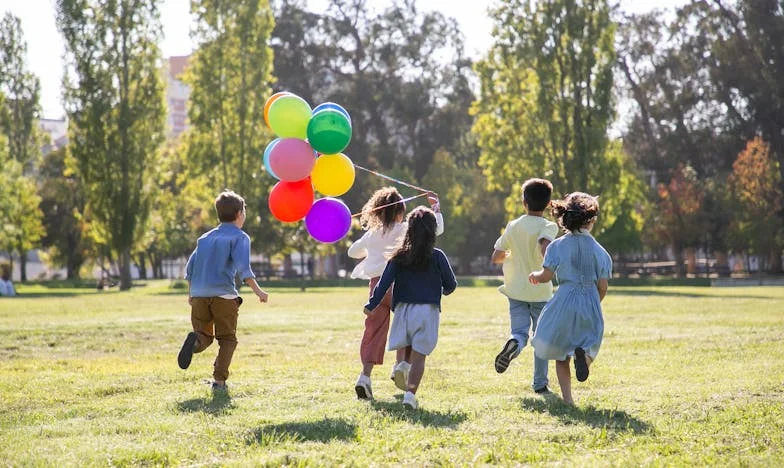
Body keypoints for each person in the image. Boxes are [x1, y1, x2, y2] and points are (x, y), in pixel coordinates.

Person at [348, 187, 443, 400]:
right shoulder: (404, 229)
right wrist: (435, 209)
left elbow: (352, 252)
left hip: (376, 288)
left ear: (377, 212)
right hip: (400, 286)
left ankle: (365, 377)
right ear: (400, 211)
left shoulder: (372, 235)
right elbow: (435, 230)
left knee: (373, 331)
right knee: (408, 327)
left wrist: (371, 248)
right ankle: (401, 365)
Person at [364, 206, 457, 409]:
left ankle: (402, 364)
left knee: (407, 343)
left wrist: (372, 304)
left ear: (409, 230)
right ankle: (410, 395)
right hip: (427, 311)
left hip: (403, 309)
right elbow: (451, 284)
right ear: (432, 231)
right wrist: (442, 291)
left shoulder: (398, 256)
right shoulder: (438, 256)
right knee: (420, 356)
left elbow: (383, 283)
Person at [177, 190, 269, 392]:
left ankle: (195, 342)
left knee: (204, 336)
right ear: (239, 214)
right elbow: (244, 269)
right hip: (224, 296)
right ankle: (219, 381)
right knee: (227, 339)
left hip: (200, 295)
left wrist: (191, 293)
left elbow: (190, 268)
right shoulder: (240, 237)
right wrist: (259, 292)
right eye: (244, 211)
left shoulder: (205, 238)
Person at [529, 192, 612, 405]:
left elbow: (546, 276)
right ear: (591, 220)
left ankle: (568, 400)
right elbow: (603, 287)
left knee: (560, 353)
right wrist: (594, 301)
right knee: (591, 342)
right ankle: (584, 359)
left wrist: (535, 276)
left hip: (564, 300)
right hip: (590, 300)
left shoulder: (556, 246)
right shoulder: (601, 252)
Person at [491, 178, 558, 394]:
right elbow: (545, 245)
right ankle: (540, 384)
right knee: (541, 338)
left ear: (524, 202)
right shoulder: (549, 225)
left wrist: (511, 255)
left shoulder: (513, 225)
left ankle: (514, 344)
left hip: (515, 289)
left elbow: (496, 256)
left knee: (519, 332)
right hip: (540, 290)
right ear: (548, 204)